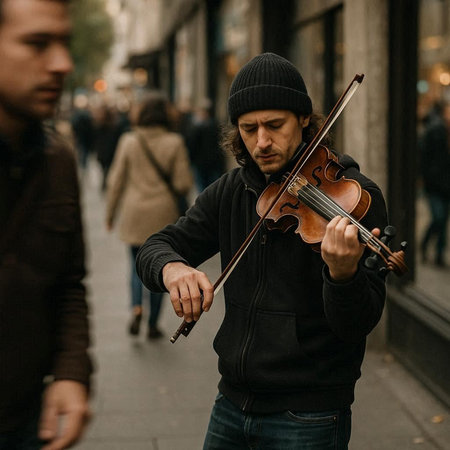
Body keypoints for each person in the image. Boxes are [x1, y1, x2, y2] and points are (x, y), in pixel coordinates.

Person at [136, 53, 389, 449]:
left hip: (310, 414)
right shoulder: (232, 191)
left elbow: (357, 324)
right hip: (230, 404)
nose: (262, 142)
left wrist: (343, 276)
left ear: (304, 119)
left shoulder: (355, 197)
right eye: (248, 128)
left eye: (274, 125)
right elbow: (155, 246)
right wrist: (172, 269)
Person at [0, 1, 92, 449]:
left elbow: (68, 282)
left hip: (24, 423)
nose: (62, 64)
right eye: (37, 44)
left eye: (63, 43)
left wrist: (72, 371)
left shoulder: (57, 161)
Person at [105, 92, 193, 339]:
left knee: (134, 267)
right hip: (163, 215)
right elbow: (183, 182)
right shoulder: (174, 142)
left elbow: (116, 181)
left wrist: (111, 214)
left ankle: (136, 307)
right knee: (158, 267)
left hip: (134, 213)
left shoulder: (129, 141)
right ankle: (153, 323)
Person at [419, 101, 450, 267]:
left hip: (447, 186)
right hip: (434, 185)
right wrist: (425, 178)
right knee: (438, 218)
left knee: (444, 220)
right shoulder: (435, 130)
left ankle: (439, 254)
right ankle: (424, 244)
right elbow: (423, 157)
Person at [186, 98, 226, 192]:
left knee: (202, 189)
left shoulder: (197, 128)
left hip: (201, 163)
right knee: (213, 188)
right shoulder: (216, 126)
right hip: (213, 162)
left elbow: (192, 145)